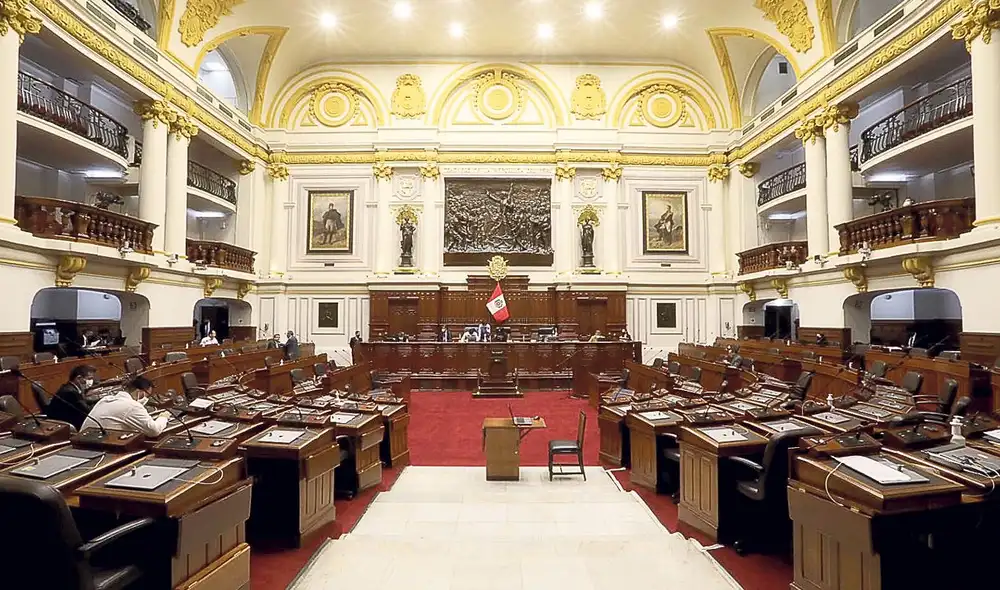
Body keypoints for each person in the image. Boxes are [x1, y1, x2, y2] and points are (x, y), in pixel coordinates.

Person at [81, 375, 168, 437]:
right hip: (100, 447)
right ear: (139, 392)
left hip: (82, 441)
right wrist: (163, 417)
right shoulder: (132, 406)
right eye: (147, 395)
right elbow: (154, 431)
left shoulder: (106, 399)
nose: (146, 399)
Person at [47, 364, 97, 429]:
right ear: (78, 378)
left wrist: (99, 399)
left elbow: (83, 401)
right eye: (89, 378)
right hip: (65, 426)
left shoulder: (69, 387)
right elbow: (88, 411)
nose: (91, 381)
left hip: (70, 420)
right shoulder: (71, 392)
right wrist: (101, 404)